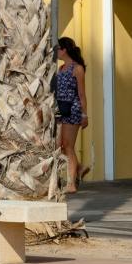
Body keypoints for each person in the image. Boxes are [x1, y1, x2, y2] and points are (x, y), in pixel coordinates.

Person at [54, 36, 88, 191]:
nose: (55, 53)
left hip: (73, 110)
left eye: (57, 50)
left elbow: (81, 94)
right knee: (60, 146)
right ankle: (79, 168)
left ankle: (71, 184)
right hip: (60, 110)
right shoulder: (60, 69)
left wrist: (84, 115)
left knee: (68, 146)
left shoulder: (77, 68)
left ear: (64, 50)